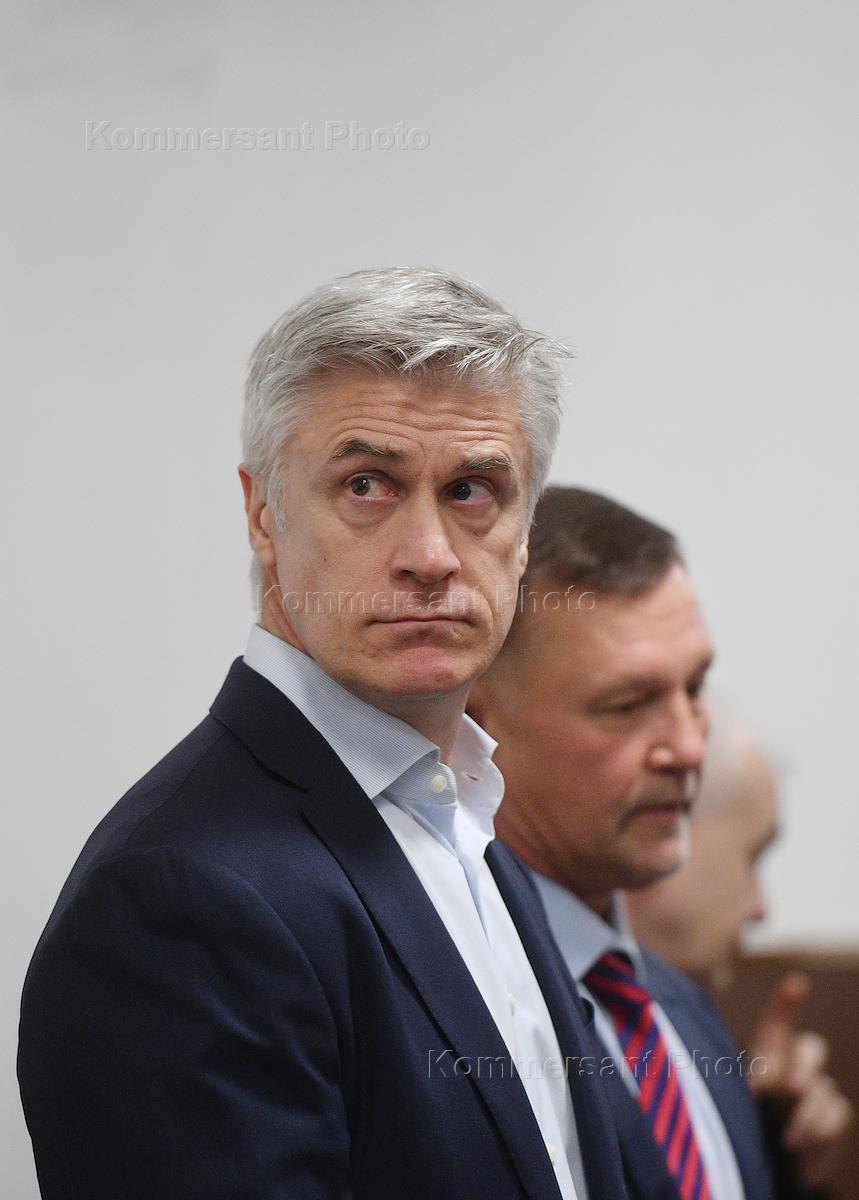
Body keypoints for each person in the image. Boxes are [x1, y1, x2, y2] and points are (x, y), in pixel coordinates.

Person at [17, 271, 628, 1200]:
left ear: (524, 532)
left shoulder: (464, 820)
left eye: (471, 490)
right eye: (367, 485)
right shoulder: (177, 899)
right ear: (262, 515)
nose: (429, 556)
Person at [467, 485, 849, 1200]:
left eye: (694, 688)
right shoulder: (452, 1023)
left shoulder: (680, 1009)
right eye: (627, 706)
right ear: (477, 727)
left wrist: (778, 1167)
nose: (687, 746)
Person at [627, 709, 853, 1195]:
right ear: (666, 826)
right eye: (754, 854)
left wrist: (772, 1150)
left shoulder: (692, 1024)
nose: (760, 909)